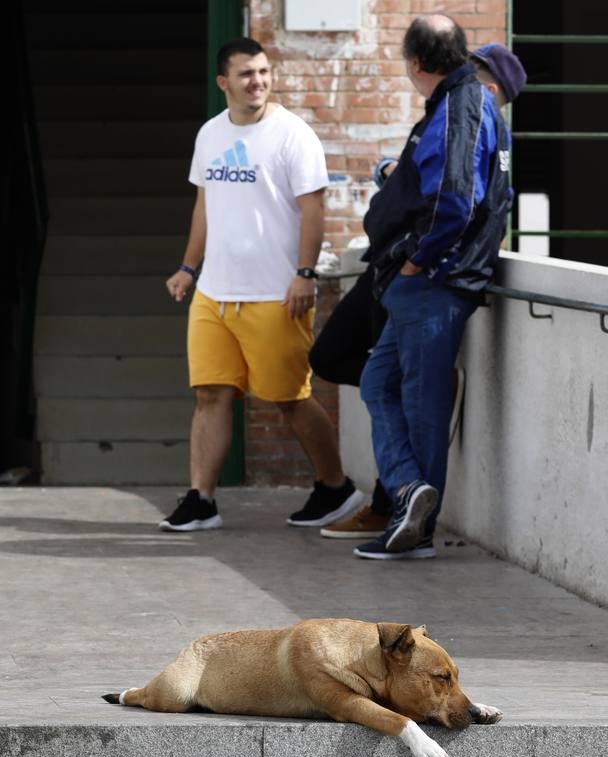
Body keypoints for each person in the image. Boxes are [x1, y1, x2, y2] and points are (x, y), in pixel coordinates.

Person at [310, 40, 527, 542]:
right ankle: (408, 489)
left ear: (486, 84)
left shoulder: (467, 108)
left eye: (470, 70)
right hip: (410, 278)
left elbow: (456, 202)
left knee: (421, 402)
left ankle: (416, 527)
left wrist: (417, 260)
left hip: (429, 280)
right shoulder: (460, 112)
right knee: (378, 383)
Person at [159, 37, 363, 533]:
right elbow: (205, 206)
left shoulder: (293, 135)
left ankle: (335, 487)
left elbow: (314, 210)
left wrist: (305, 273)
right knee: (209, 394)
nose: (259, 81)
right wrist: (188, 268)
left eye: (264, 72)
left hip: (276, 293)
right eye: (247, 74)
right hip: (214, 293)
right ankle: (201, 499)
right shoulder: (210, 134)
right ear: (223, 82)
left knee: (290, 396)